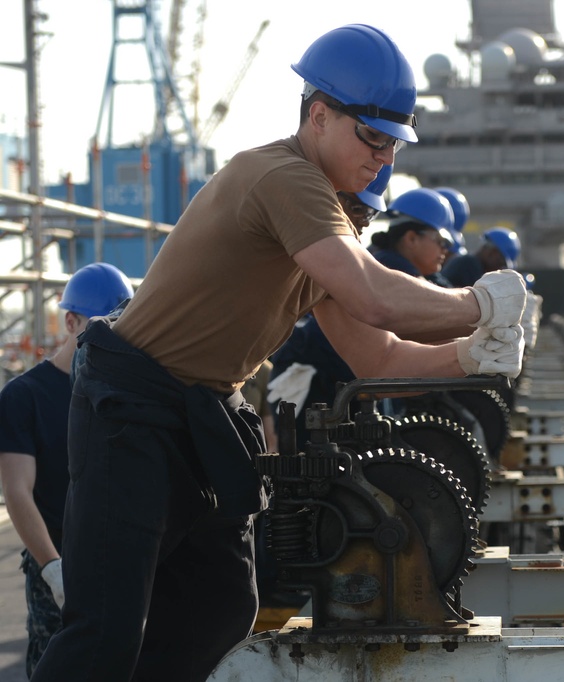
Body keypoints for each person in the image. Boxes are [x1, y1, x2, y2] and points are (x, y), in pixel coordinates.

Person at [31, 24, 526, 682]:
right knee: (104, 628)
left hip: (200, 411)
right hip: (131, 408)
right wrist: (480, 307)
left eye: (393, 144)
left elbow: (376, 356)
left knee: (216, 610)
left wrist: (474, 357)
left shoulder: (325, 231)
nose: (384, 158)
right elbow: (375, 296)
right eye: (372, 137)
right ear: (318, 115)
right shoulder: (282, 175)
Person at [0, 262, 133, 678]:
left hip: (122, 561)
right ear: (71, 321)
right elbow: (18, 492)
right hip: (55, 565)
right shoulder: (24, 398)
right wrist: (53, 569)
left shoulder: (123, 393)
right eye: (101, 325)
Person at [370, 187, 455, 279]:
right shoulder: (392, 267)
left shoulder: (423, 273)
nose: (445, 249)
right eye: (440, 240)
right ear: (411, 239)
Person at [441, 226, 521, 287]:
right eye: (501, 263)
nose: (499, 269)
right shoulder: (470, 264)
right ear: (492, 253)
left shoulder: (469, 262)